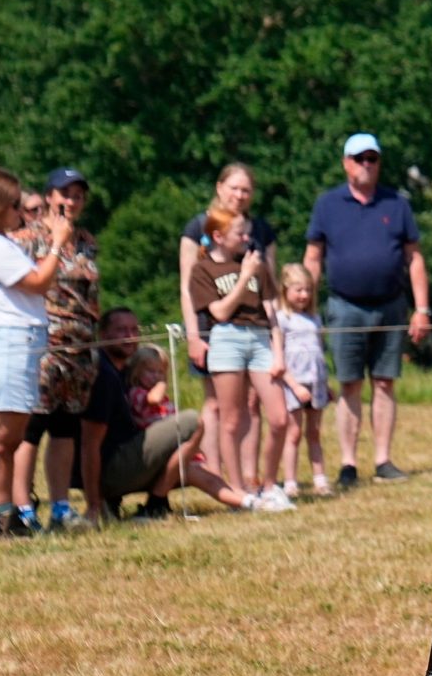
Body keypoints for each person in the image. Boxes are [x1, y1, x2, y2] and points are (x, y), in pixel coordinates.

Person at [305, 133, 431, 486]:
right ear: (346, 162)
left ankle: (383, 460)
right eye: (359, 158)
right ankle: (347, 463)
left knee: (385, 383)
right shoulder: (327, 204)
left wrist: (422, 309)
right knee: (349, 384)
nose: (366, 164)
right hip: (344, 307)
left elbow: (415, 258)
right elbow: (312, 260)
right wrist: (305, 310)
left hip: (391, 306)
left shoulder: (397, 204)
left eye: (372, 158)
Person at [0, 168, 74, 539]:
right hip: (6, 344)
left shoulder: (1, 241)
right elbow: (39, 283)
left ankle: (6, 518)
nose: (21, 211)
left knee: (10, 440)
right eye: (14, 204)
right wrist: (57, 243)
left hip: (21, 346)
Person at [88, 307, 249, 518]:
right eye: (121, 330)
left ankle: (246, 500)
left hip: (132, 460)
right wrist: (94, 503)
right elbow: (92, 441)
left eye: (134, 330)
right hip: (112, 472)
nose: (129, 336)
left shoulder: (119, 372)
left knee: (197, 471)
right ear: (104, 335)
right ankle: (155, 502)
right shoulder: (108, 377)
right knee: (192, 422)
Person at [189, 206, 293, 510]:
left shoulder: (257, 265)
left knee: (279, 417)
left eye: (248, 232)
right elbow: (219, 312)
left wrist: (278, 351)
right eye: (241, 233)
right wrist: (243, 276)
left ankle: (270, 486)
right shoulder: (203, 270)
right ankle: (238, 491)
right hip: (227, 339)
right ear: (219, 236)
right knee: (231, 419)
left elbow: (271, 308)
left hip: (260, 338)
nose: (248, 238)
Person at [20, 168, 104, 530]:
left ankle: (60, 507)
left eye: (78, 195)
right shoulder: (28, 239)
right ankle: (22, 509)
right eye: (64, 194)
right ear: (49, 196)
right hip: (44, 344)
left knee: (65, 427)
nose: (71, 201)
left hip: (80, 347)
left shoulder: (87, 241)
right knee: (31, 428)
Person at [179, 164, 275, 475]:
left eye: (246, 189)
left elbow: (269, 284)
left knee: (251, 403)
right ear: (219, 188)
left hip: (254, 326)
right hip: (212, 325)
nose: (239, 195)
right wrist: (193, 335)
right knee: (216, 403)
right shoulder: (198, 227)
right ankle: (215, 473)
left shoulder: (260, 231)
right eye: (234, 187)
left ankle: (249, 475)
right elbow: (187, 286)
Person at [275, 263, 332, 499]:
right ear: (285, 289)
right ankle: (290, 481)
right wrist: (295, 386)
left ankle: (320, 479)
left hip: (315, 383)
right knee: (294, 433)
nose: (304, 295)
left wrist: (326, 385)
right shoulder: (282, 319)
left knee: (315, 432)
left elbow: (319, 351)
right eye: (298, 290)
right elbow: (279, 358)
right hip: (294, 385)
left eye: (308, 290)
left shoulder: (314, 319)